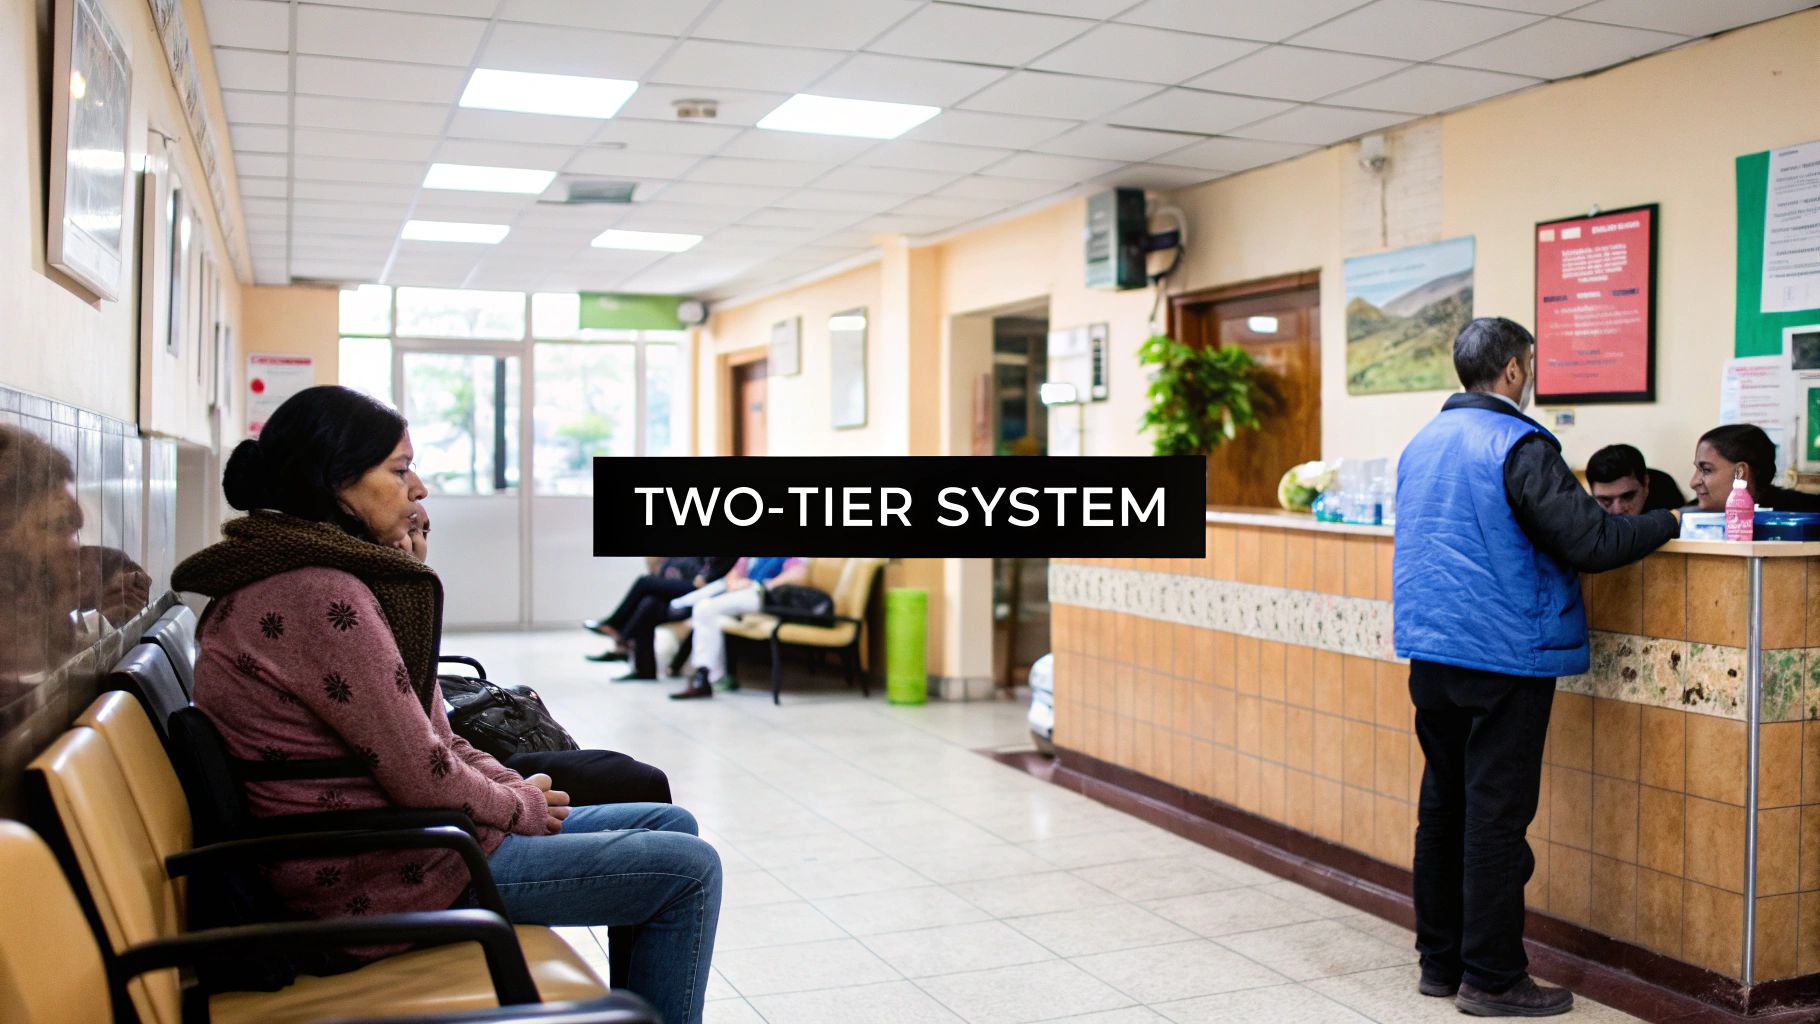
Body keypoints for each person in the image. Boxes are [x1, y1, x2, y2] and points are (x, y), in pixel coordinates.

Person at [173, 386, 720, 1024]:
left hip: (396, 843)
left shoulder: (309, 576)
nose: (419, 488)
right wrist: (520, 807)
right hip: (383, 872)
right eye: (400, 470)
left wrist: (513, 788)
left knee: (668, 823)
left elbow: (433, 736)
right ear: (338, 483)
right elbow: (420, 772)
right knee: (690, 869)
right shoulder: (319, 595)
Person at [1393, 318, 1677, 1017]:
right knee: (1495, 819)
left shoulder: (1422, 441)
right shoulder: (1518, 444)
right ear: (1515, 370)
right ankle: (1492, 979)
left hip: (1433, 652)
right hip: (1504, 656)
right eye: (1530, 362)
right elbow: (1592, 541)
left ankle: (1441, 962)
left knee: (1444, 807)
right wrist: (1671, 521)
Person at [669, 555, 808, 700]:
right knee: (705, 611)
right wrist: (735, 583)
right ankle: (708, 675)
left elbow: (799, 574)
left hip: (761, 595)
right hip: (741, 592)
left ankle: (706, 677)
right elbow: (733, 574)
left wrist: (766, 584)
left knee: (704, 609)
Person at [583, 556, 737, 679]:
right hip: (690, 585)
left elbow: (718, 572)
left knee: (644, 582)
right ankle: (644, 670)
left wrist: (705, 577)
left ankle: (616, 628)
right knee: (649, 603)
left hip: (704, 590)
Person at [1688, 423, 1820, 513]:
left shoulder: (1807, 517)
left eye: (1706, 470)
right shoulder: (1685, 517)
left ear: (1741, 473)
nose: (1693, 483)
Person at [1584, 443, 1685, 515]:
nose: (1617, 510)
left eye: (1627, 496)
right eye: (1605, 500)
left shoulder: (1665, 491)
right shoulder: (1585, 513)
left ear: (1646, 483)